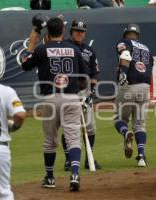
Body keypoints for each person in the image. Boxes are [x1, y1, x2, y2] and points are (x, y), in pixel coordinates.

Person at [21, 16, 88, 192]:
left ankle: (50, 177)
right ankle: (74, 174)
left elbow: (24, 65)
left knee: (50, 141)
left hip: (50, 98)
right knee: (73, 139)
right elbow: (84, 78)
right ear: (63, 31)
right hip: (71, 97)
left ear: (48, 33)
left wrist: (32, 44)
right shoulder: (74, 49)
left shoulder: (42, 49)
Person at [0, 56, 26, 200]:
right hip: (0, 148)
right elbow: (20, 115)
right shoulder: (6, 91)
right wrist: (13, 127)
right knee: (3, 193)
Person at [62, 19, 101, 171]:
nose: (79, 33)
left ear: (84, 34)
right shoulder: (64, 47)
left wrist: (91, 93)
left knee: (90, 128)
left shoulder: (89, 51)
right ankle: (68, 159)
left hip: (84, 92)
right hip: (67, 92)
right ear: (71, 32)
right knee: (70, 127)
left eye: (82, 31)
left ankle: (87, 159)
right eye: (76, 31)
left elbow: (94, 73)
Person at [114, 23, 154, 167]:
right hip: (144, 87)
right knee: (140, 124)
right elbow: (150, 66)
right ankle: (142, 157)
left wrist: (123, 72)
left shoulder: (124, 42)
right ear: (138, 35)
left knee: (119, 119)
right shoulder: (146, 48)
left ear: (126, 34)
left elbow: (125, 55)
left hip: (129, 85)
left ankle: (125, 133)